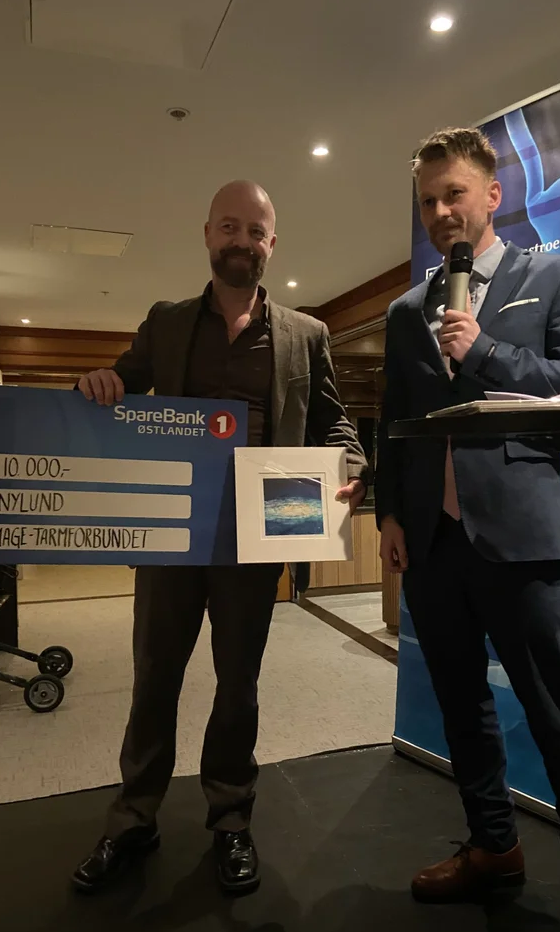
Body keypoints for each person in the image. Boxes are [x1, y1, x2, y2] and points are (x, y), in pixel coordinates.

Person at [72, 180, 367, 895]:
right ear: (208, 234)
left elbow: (333, 421)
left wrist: (352, 467)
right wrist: (101, 382)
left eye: (255, 231)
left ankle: (231, 818)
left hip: (260, 536)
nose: (242, 241)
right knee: (154, 679)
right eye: (229, 227)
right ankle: (133, 818)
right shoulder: (167, 321)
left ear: (272, 243)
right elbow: (123, 383)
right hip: (170, 533)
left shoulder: (306, 334)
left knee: (239, 685)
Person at [375, 128, 560, 932]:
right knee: (462, 709)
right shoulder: (404, 311)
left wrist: (484, 351)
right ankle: (493, 847)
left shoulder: (552, 276)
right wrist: (390, 513)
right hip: (432, 542)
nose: (441, 210)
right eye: (428, 200)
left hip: (521, 539)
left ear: (492, 193)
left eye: (454, 193)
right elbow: (393, 422)